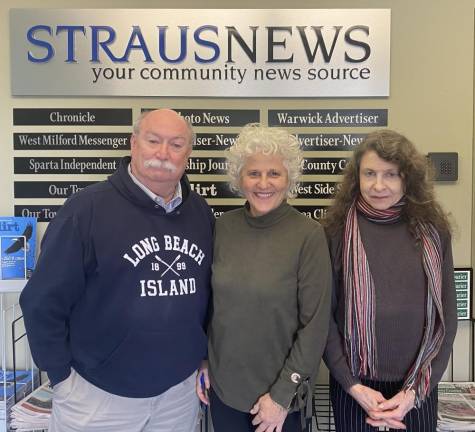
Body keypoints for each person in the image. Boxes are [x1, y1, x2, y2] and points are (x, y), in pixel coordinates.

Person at [20, 109, 214, 432]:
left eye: (176, 144)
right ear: (133, 143)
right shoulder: (86, 209)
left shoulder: (200, 213)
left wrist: (204, 355)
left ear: (188, 154)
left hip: (177, 396)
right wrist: (61, 377)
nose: (163, 153)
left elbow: (210, 294)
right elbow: (41, 301)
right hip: (98, 398)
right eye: (153, 141)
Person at [196, 123, 332, 432]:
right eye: (253, 173)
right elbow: (208, 306)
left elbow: (315, 326)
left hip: (281, 402)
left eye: (274, 173)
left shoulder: (308, 236)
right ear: (239, 179)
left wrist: (281, 396)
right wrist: (203, 359)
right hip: (224, 392)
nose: (263, 183)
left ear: (289, 179)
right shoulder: (222, 229)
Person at [323, 129, 457, 431]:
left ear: (407, 179)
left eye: (391, 175)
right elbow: (324, 319)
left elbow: (446, 319)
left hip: (416, 386)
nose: (378, 185)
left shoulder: (434, 232)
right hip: (353, 387)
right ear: (357, 177)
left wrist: (413, 394)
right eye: (369, 173)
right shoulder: (335, 232)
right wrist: (352, 385)